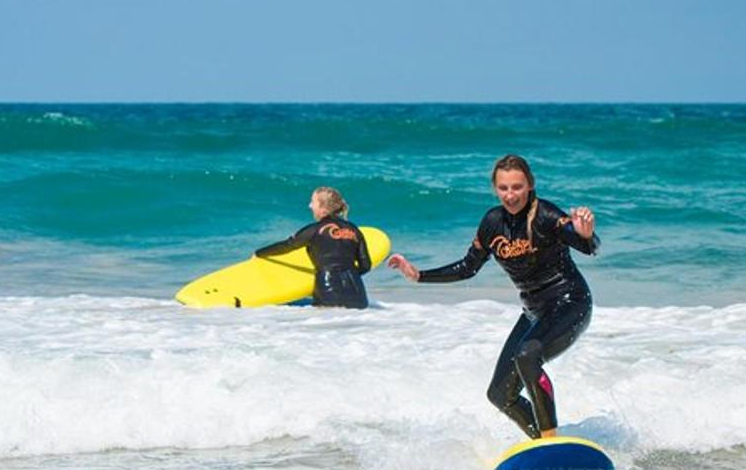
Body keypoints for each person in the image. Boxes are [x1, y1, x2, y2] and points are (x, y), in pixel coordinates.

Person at [388, 155, 598, 439]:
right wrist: (419, 275)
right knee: (500, 395)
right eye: (504, 188)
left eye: (517, 187)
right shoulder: (492, 222)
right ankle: (546, 447)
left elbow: (586, 245)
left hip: (570, 302)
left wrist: (585, 234)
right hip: (534, 312)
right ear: (495, 189)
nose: (510, 195)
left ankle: (550, 438)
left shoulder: (545, 214)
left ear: (530, 185)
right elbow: (467, 267)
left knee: (527, 356)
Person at [255, 187, 372, 309]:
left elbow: (287, 246)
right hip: (358, 295)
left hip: (329, 293)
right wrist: (348, 275)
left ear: (322, 207)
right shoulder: (354, 230)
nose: (310, 206)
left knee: (328, 325)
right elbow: (365, 265)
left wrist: (259, 253)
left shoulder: (314, 230)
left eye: (313, 202)